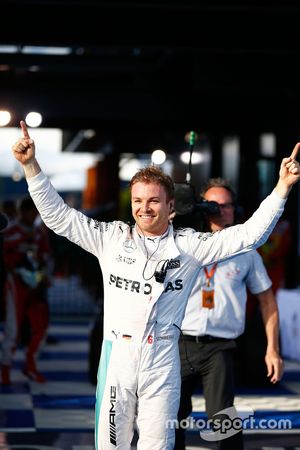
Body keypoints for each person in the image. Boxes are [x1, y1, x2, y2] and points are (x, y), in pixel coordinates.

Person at [11, 120, 299, 450]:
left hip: (164, 358)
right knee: (111, 445)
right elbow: (59, 217)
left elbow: (250, 235)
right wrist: (31, 167)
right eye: (137, 201)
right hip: (119, 354)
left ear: (171, 207)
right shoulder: (111, 239)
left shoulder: (192, 246)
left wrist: (282, 188)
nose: (144, 209)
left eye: (153, 201)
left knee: (158, 445)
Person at [174, 178, 283, 450]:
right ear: (200, 207)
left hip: (220, 347)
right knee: (169, 415)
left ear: (235, 209)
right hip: (179, 343)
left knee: (224, 416)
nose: (220, 210)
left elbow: (267, 300)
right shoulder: (183, 243)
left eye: (226, 205)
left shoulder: (246, 251)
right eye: (213, 205)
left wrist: (273, 349)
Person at [1, 196, 50, 384]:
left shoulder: (39, 234)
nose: (30, 215)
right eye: (28, 211)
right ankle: (5, 369)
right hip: (16, 286)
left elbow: (46, 257)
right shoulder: (9, 232)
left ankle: (30, 366)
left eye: (32, 212)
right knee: (13, 329)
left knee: (41, 327)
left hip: (36, 287)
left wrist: (43, 273)